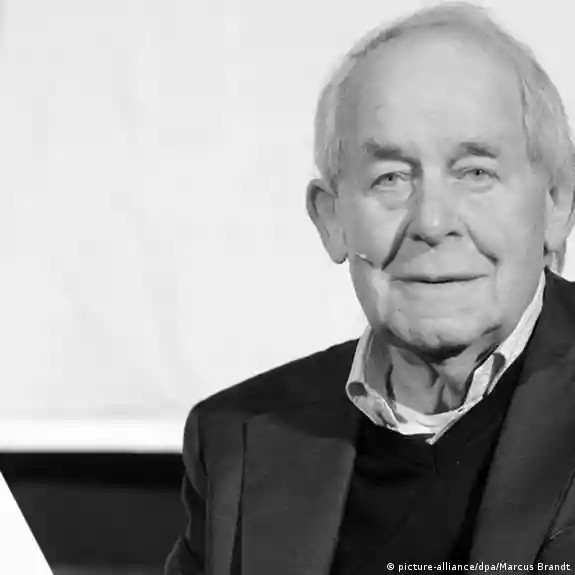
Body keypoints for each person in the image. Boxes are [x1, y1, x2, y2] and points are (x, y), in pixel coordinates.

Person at [165, 3, 575, 573]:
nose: (432, 222)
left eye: (476, 172)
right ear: (331, 220)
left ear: (556, 203)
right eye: (391, 179)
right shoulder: (239, 440)